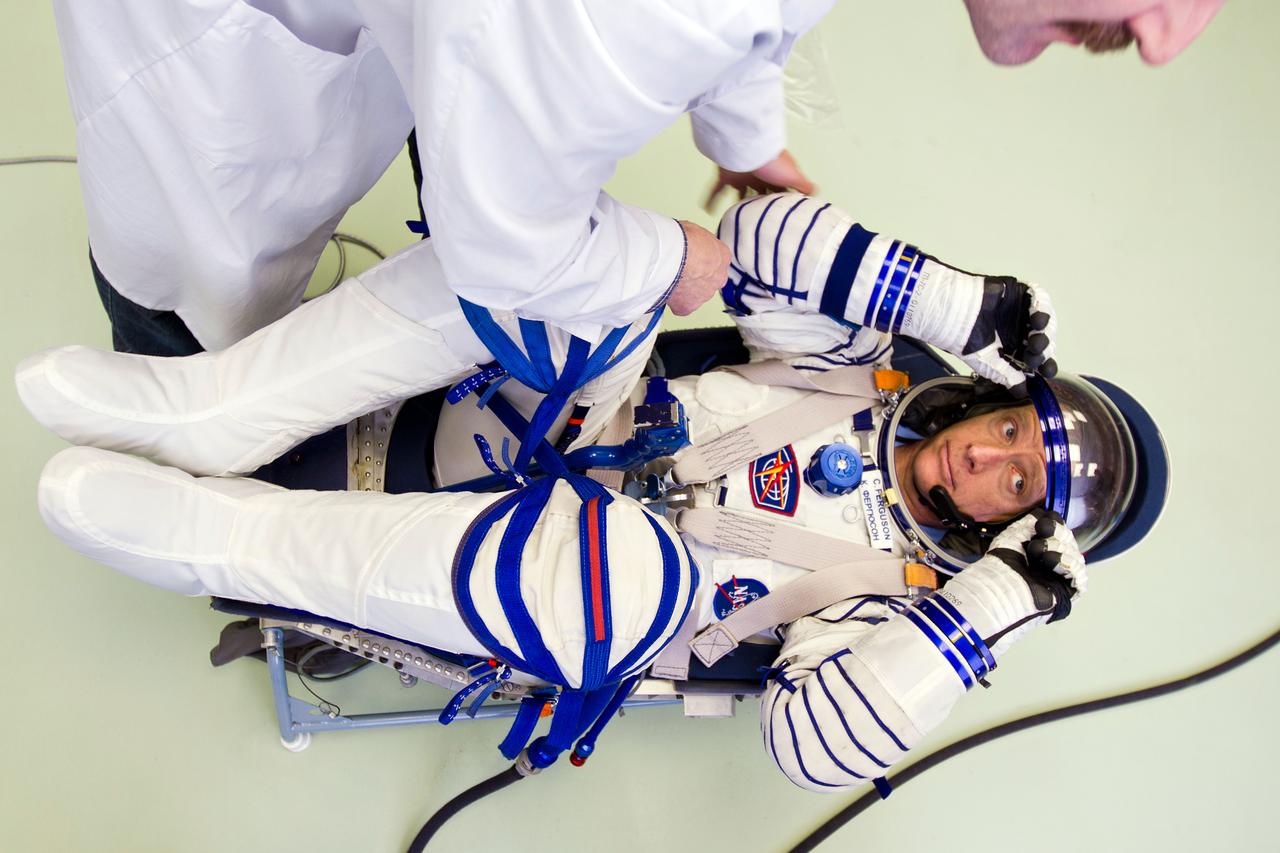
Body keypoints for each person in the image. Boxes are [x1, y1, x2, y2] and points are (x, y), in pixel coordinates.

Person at [18, 193, 1167, 788]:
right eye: (1008, 426)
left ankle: (217, 538)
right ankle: (211, 411)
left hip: (593, 585)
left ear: (1014, 523)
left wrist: (988, 610)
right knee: (618, 260)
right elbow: (759, 238)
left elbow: (812, 747)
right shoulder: (876, 362)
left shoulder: (903, 608)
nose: (983, 456)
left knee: (629, 576)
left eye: (1016, 479)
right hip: (557, 408)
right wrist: (963, 306)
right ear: (988, 398)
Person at [53, 0, 1224, 357]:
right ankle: (175, 413)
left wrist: (743, 140)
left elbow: (746, 21)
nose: (1174, 37)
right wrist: (677, 258)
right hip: (204, 51)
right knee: (199, 291)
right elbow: (506, 247)